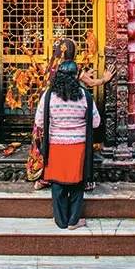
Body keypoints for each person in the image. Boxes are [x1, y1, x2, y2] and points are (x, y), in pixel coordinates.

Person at [27, 37, 114, 190]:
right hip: (68, 115)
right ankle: (75, 178)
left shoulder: (53, 66)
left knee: (46, 145)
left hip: (48, 111)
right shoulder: (74, 68)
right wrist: (105, 79)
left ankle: (43, 177)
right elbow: (91, 83)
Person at [34, 39, 101, 230]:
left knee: (58, 185)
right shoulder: (85, 96)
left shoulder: (48, 96)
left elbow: (39, 122)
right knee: (77, 184)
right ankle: (74, 221)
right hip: (79, 146)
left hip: (55, 146)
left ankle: (60, 221)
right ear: (76, 75)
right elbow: (96, 122)